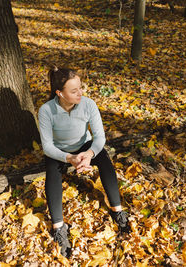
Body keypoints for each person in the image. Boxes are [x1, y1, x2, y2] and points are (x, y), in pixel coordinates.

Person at [38, 67, 130, 257]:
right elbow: (47, 146)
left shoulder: (88, 104)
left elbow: (99, 137)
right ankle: (59, 228)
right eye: (74, 91)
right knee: (52, 173)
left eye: (80, 88)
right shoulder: (46, 110)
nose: (80, 93)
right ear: (59, 93)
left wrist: (89, 154)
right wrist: (69, 158)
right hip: (59, 151)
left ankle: (118, 211)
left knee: (104, 160)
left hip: (84, 145)